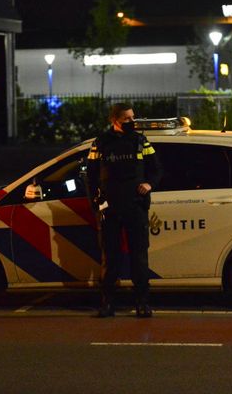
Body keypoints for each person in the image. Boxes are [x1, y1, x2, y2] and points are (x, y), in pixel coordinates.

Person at [86, 103, 162, 318]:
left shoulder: (140, 141)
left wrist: (149, 184)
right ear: (114, 120)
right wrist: (95, 204)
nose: (132, 122)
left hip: (135, 206)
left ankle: (142, 303)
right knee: (110, 258)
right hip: (110, 208)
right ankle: (108, 303)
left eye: (132, 118)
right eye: (127, 119)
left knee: (139, 257)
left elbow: (156, 170)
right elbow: (91, 177)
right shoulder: (100, 143)